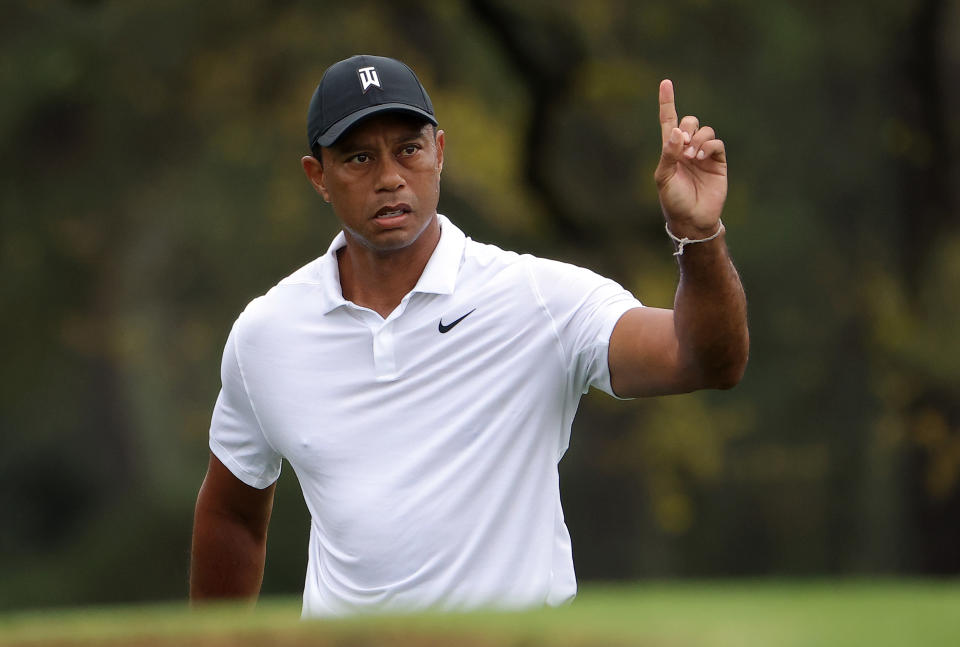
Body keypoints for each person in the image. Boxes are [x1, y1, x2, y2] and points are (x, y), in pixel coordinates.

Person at [190, 54, 748, 617]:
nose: (389, 177)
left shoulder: (538, 299)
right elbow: (232, 513)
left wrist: (699, 236)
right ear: (318, 177)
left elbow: (702, 361)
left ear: (439, 152)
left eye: (408, 148)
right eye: (359, 157)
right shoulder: (267, 333)